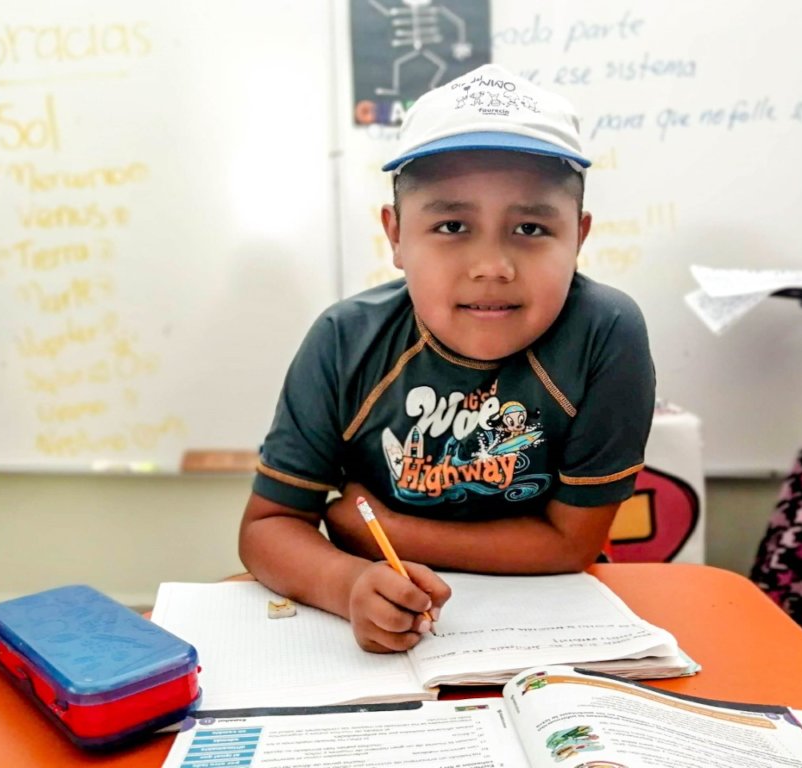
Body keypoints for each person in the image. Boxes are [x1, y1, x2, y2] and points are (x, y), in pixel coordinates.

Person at [239, 63, 656, 653]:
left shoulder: (605, 333)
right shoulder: (343, 341)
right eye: (453, 224)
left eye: (532, 228)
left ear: (579, 238)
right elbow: (267, 527)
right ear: (397, 236)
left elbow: (571, 546)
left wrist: (377, 529)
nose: (492, 266)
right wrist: (347, 581)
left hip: (554, 626)